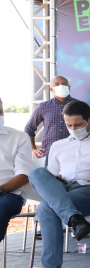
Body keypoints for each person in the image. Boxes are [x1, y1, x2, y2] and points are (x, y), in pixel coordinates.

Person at [21, 100, 90, 268]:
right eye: (69, 125)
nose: (73, 129)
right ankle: (75, 219)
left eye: (78, 125)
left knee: (46, 208)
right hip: (63, 189)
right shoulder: (57, 145)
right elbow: (52, 176)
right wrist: (55, 181)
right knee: (36, 174)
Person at [24, 76, 90, 159]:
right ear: (51, 89)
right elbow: (29, 128)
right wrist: (33, 149)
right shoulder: (43, 107)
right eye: (57, 84)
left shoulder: (80, 106)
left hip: (75, 153)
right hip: (49, 153)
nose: (61, 86)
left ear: (69, 87)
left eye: (64, 84)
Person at [0, 100, 33, 243]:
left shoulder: (19, 137)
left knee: (1, 207)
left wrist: (1, 190)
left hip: (9, 195)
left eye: (0, 111)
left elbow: (24, 175)